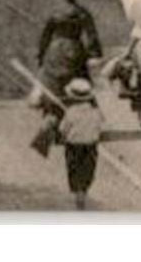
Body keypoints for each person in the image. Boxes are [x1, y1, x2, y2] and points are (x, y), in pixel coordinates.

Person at [35, 0, 102, 122]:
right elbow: (92, 36)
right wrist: (94, 53)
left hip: (54, 50)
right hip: (74, 49)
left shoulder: (54, 13)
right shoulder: (82, 13)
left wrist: (41, 56)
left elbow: (45, 36)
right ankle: (79, 120)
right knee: (78, 82)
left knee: (53, 84)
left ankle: (52, 117)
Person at [57, 78, 105, 210]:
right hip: (90, 145)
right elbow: (100, 127)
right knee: (88, 169)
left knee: (74, 168)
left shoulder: (70, 112)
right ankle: (84, 189)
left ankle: (77, 191)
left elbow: (63, 129)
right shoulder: (96, 112)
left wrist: (64, 136)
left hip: (73, 145)